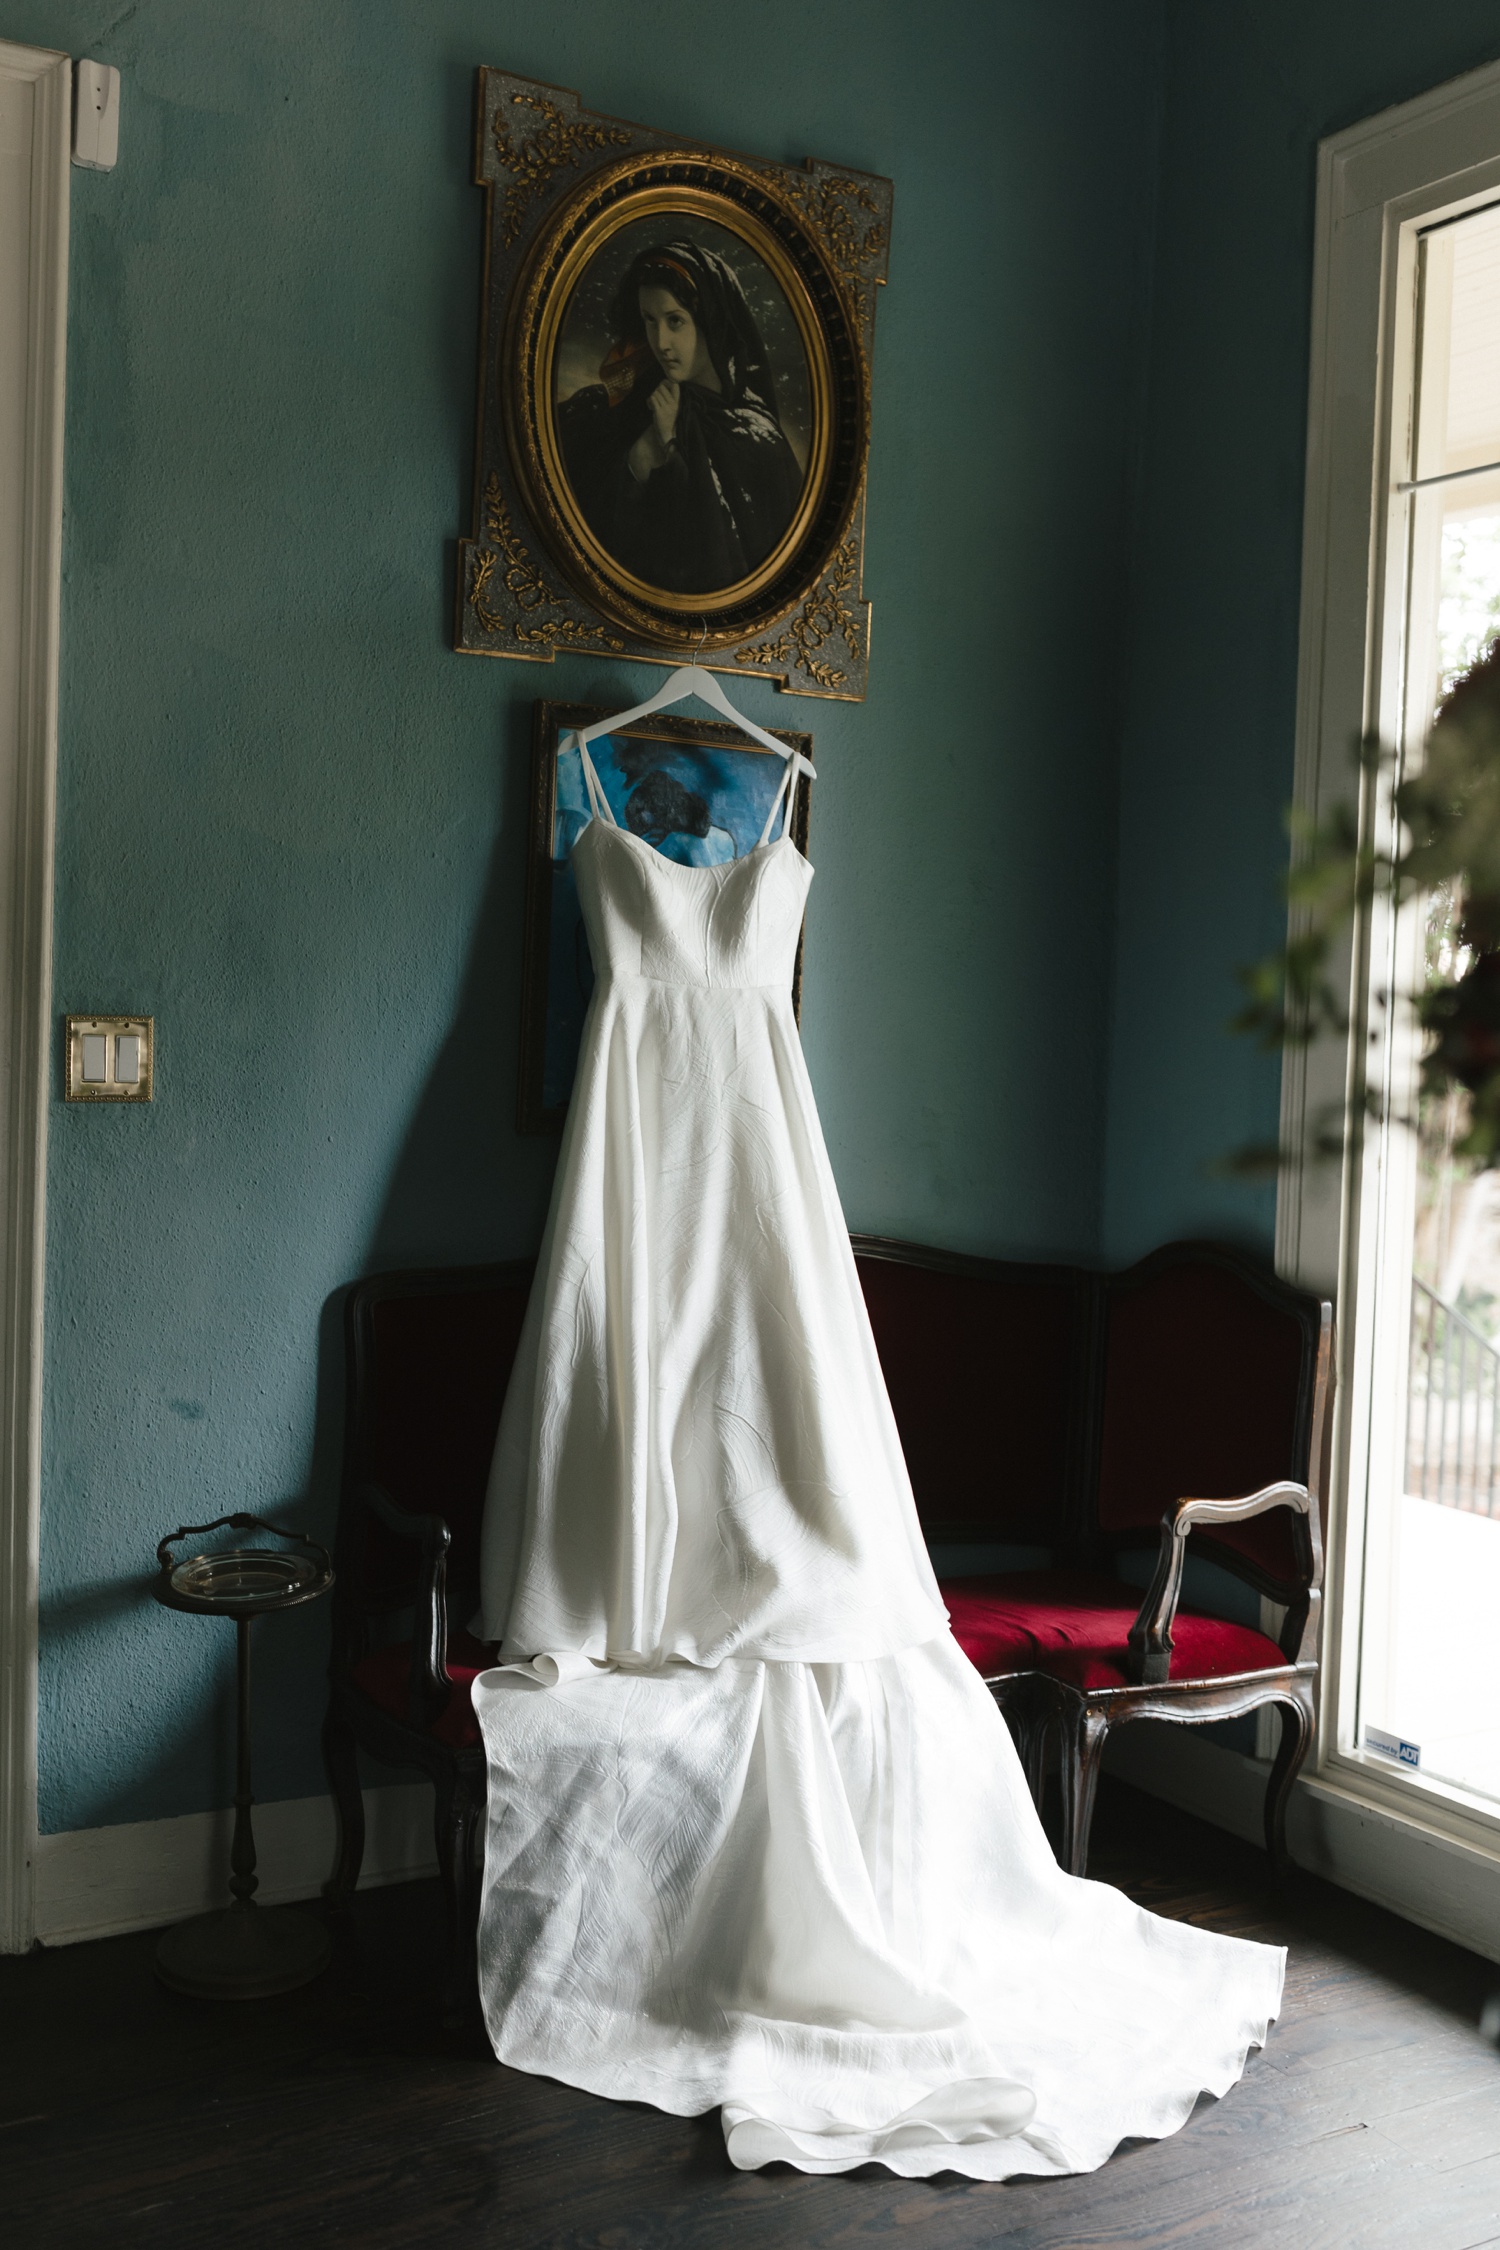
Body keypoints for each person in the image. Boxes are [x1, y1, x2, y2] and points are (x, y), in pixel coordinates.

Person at [473, 743, 1284, 2178]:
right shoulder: (591, 784)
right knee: (639, 1358)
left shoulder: (776, 786)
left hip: (759, 1136)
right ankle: (643, 1584)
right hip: (634, 1128)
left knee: (779, 1399)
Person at [558, 239, 804, 595]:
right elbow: (602, 532)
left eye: (675, 321)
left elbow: (714, 561)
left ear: (711, 323)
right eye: (649, 320)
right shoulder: (632, 404)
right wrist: (643, 455)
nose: (661, 342)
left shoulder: (756, 435)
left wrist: (670, 443)